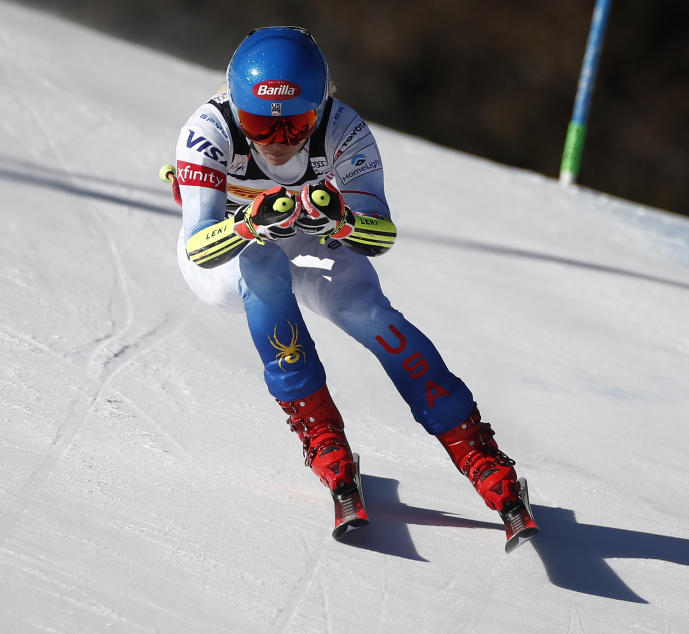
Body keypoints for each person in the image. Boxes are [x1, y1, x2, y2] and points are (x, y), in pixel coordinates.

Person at [174, 26, 523, 516]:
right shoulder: (208, 132)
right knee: (263, 274)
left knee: (366, 308)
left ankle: (474, 447)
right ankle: (319, 433)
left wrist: (344, 221)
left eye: (296, 127)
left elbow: (381, 235)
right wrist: (250, 224)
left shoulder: (345, 129)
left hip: (312, 237)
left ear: (321, 108)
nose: (278, 143)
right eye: (258, 124)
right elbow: (197, 248)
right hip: (232, 253)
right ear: (234, 107)